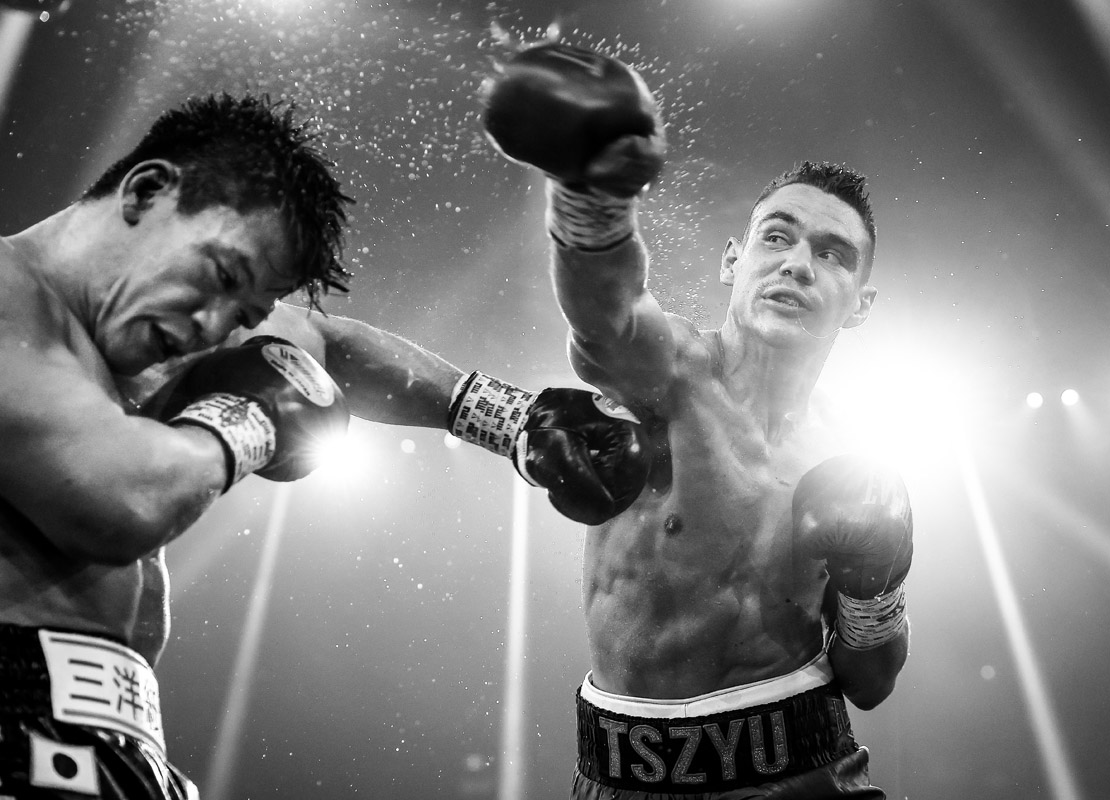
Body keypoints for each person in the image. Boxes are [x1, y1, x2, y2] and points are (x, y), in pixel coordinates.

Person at [0, 91, 649, 799]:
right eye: (222, 277)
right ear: (149, 189)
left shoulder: (147, 329)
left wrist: (517, 422)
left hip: (120, 742)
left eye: (242, 313)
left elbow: (323, 342)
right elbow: (119, 501)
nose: (215, 326)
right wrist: (250, 416)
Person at [481, 43, 914, 798]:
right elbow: (605, 314)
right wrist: (592, 193)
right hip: (623, 774)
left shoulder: (855, 456)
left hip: (804, 769)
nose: (797, 265)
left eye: (833, 254)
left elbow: (870, 683)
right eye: (776, 237)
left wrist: (876, 591)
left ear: (862, 305)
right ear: (731, 260)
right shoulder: (671, 373)